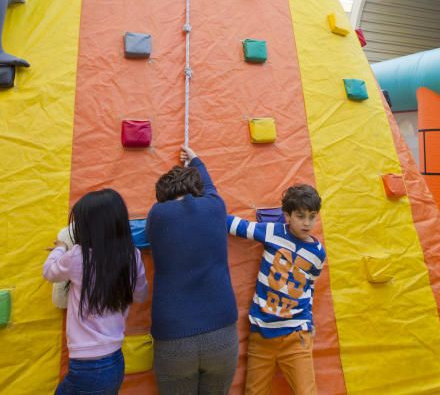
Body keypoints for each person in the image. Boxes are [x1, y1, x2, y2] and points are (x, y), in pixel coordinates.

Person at [146, 146, 238, 395]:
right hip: (222, 332)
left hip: (174, 336)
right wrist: (196, 160)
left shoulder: (156, 216)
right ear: (196, 190)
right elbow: (210, 188)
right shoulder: (216, 207)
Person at [43, 189, 148, 395]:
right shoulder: (132, 255)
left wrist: (61, 248)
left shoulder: (77, 256)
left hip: (86, 366)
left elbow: (49, 272)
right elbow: (140, 295)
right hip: (115, 360)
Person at [227, 184, 326, 395]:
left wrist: (309, 320)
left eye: (312, 216)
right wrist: (202, 203)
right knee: (254, 392)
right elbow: (236, 225)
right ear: (287, 216)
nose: (307, 223)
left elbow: (309, 286)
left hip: (296, 334)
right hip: (261, 335)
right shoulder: (273, 232)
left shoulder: (318, 253)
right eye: (300, 216)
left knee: (307, 392)